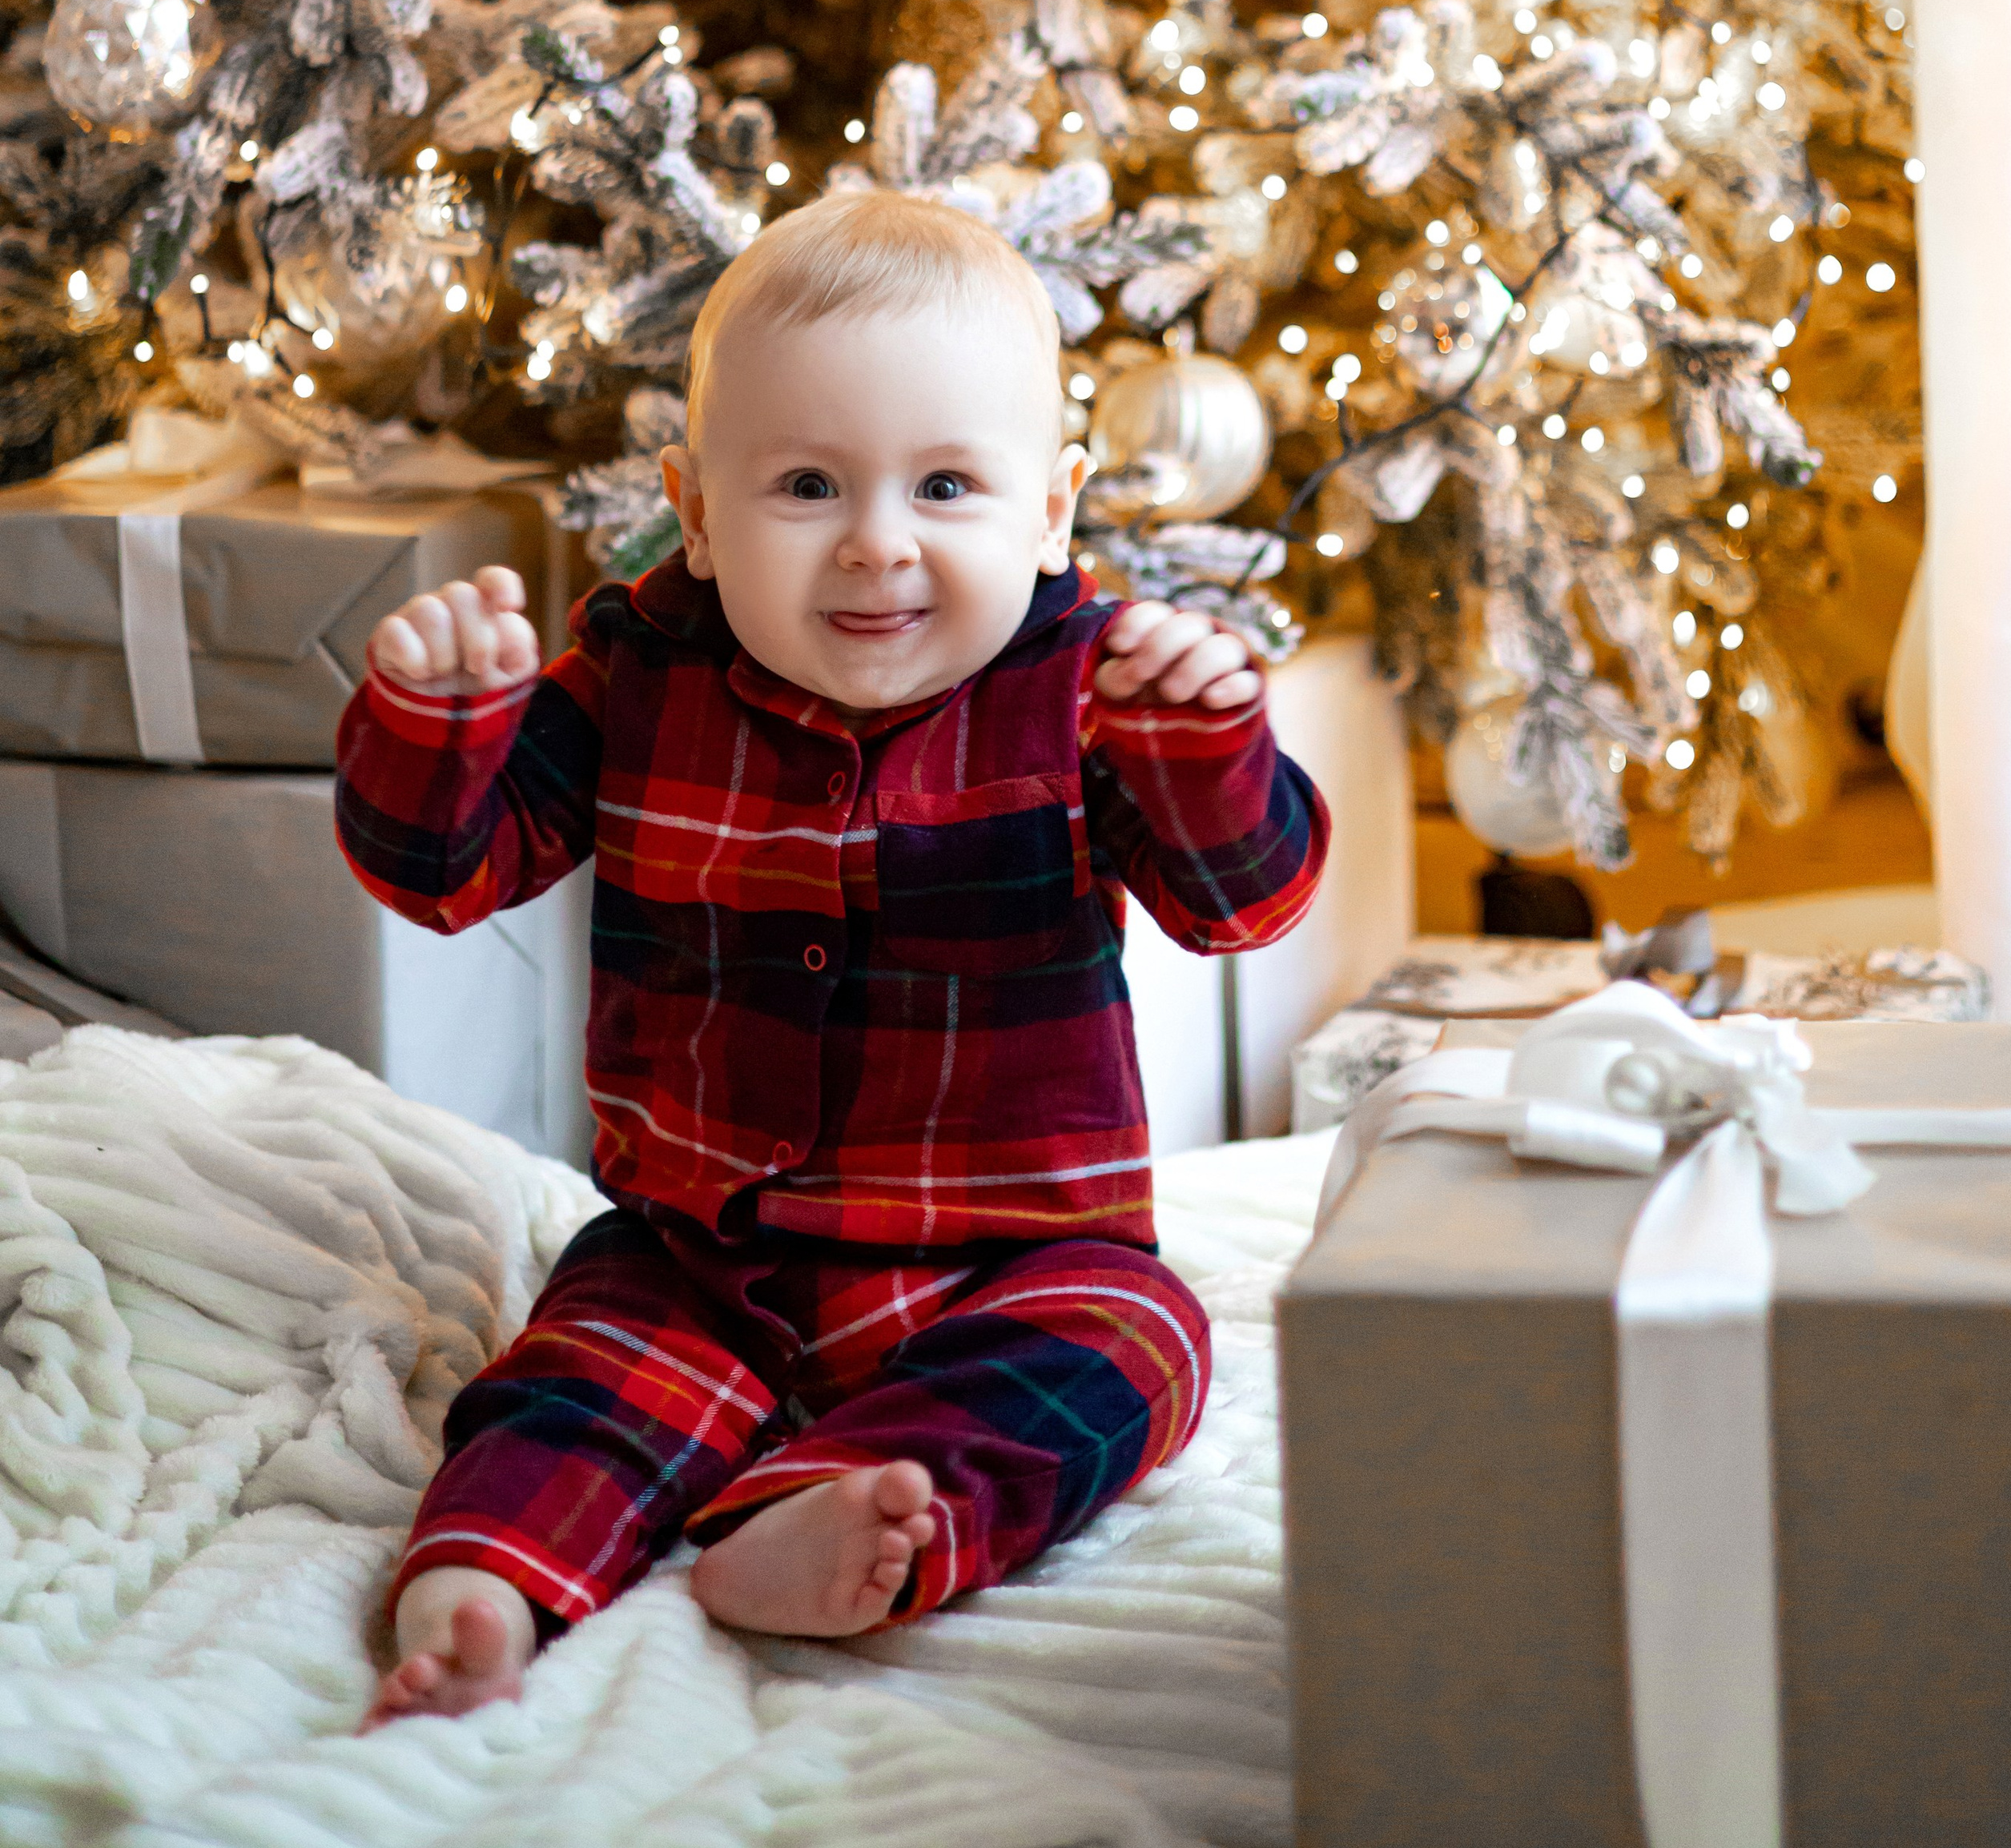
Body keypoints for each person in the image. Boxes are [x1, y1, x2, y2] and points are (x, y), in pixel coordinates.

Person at [337, 188, 1329, 1726]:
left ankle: (843, 1503)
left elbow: (1242, 905)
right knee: (581, 1367)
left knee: (1143, 1337)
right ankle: (481, 1585)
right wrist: (437, 732)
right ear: (697, 509)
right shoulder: (641, 672)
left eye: (946, 485)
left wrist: (1204, 751)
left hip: (1012, 1260)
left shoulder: (1091, 688)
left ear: (1050, 511)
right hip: (702, 1256)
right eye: (808, 483)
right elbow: (447, 873)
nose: (878, 542)